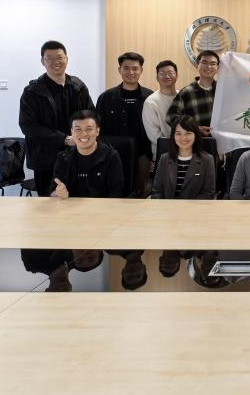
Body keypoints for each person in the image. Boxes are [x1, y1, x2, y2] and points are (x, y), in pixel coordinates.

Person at [38, 110, 146, 291]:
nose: (83, 134)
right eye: (78, 129)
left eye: (89, 129)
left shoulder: (111, 156)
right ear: (71, 132)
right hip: (71, 218)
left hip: (103, 219)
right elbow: (53, 193)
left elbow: (116, 194)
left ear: (97, 131)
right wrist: (59, 194)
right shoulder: (64, 158)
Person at [19, 40, 94, 199]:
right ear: (42, 61)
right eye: (50, 58)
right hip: (45, 159)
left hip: (78, 155)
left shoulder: (78, 86)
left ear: (67, 59)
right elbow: (28, 126)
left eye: (59, 57)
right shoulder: (32, 91)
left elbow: (91, 116)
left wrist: (84, 137)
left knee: (80, 201)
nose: (56, 62)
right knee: (49, 203)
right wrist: (64, 139)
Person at [151, 114, 216, 277]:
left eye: (188, 133)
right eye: (178, 133)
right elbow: (157, 191)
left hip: (194, 218)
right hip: (166, 219)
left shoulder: (207, 160)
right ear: (173, 136)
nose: (183, 138)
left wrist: (184, 210)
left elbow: (208, 193)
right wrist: (165, 211)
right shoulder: (165, 159)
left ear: (195, 135)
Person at [95, 52, 153, 195]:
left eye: (135, 68)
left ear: (141, 70)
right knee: (114, 191)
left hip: (142, 155)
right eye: (126, 68)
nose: (131, 72)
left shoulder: (150, 97)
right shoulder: (106, 98)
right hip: (112, 155)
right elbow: (98, 129)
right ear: (119, 69)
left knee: (141, 192)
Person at [166, 50, 219, 137]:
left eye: (213, 63)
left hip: (222, 142)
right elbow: (171, 117)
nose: (209, 66)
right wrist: (195, 128)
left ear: (217, 68)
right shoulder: (186, 92)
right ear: (197, 66)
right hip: (196, 141)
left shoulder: (222, 91)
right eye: (204, 62)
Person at [142, 59, 179, 160]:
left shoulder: (183, 96)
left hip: (186, 152)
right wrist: (179, 145)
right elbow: (154, 136)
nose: (167, 76)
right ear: (157, 78)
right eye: (162, 73)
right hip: (163, 155)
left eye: (170, 72)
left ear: (177, 76)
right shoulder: (151, 102)